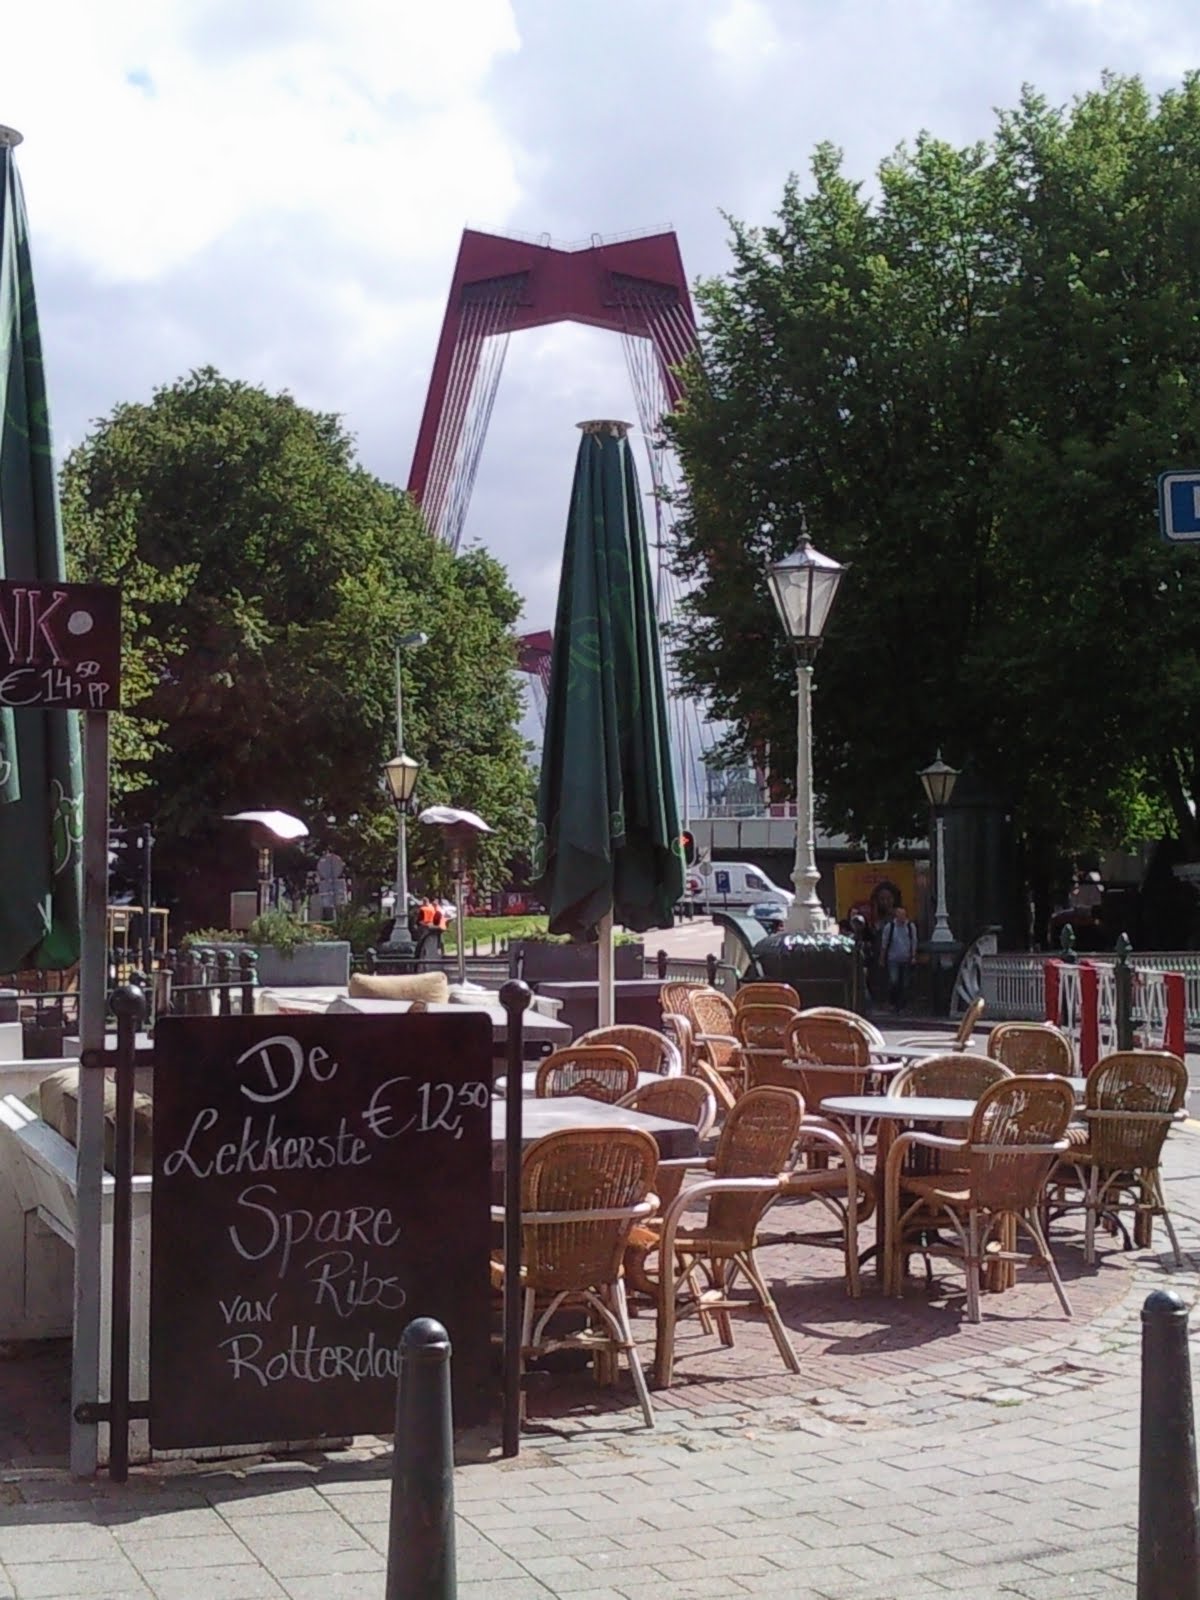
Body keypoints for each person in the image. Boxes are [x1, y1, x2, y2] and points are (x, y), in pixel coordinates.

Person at [880, 905, 918, 1013]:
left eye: (904, 915)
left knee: (905, 984)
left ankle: (903, 1005)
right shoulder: (890, 927)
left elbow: (914, 941)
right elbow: (884, 943)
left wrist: (913, 956)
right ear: (896, 915)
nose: (902, 917)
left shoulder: (910, 927)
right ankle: (892, 1003)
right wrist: (882, 958)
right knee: (894, 981)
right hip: (893, 958)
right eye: (900, 915)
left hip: (906, 958)